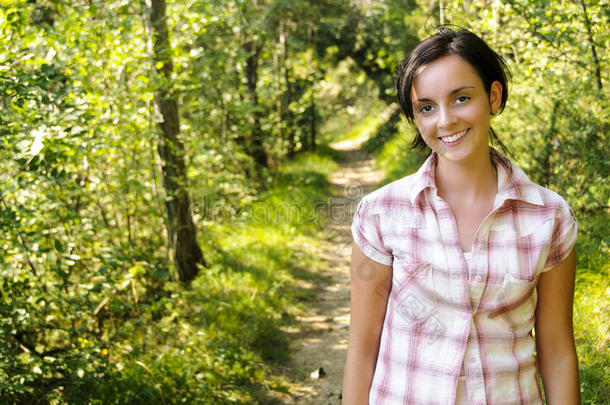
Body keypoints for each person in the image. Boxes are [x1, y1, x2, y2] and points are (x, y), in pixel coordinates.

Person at [342, 27, 581, 405]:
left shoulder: (550, 217)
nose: (446, 120)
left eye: (462, 98)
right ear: (416, 118)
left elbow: (557, 351)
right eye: (427, 107)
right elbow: (361, 349)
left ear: (493, 96)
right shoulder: (381, 214)